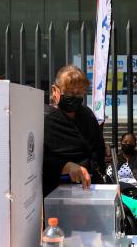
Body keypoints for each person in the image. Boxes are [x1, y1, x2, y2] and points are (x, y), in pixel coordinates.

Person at [43, 65, 107, 196]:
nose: (74, 97)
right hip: (58, 194)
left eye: (79, 93)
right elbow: (38, 159)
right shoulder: (45, 119)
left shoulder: (87, 114)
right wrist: (65, 166)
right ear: (55, 90)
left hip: (91, 189)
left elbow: (98, 148)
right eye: (69, 92)